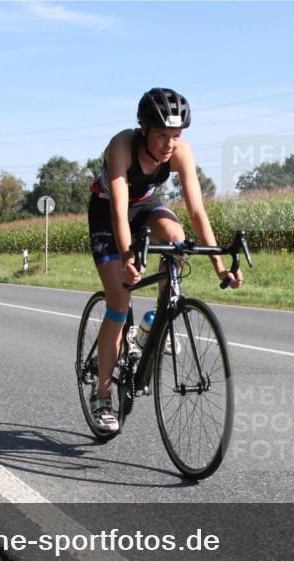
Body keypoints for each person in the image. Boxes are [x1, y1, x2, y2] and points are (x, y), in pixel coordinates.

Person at [87, 88, 242, 433]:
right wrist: (128, 256)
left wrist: (219, 265)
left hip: (144, 206)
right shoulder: (121, 146)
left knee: (176, 238)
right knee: (119, 300)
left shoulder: (180, 152)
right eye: (161, 136)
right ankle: (101, 396)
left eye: (176, 135)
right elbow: (117, 209)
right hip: (107, 211)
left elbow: (197, 209)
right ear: (143, 129)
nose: (169, 144)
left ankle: (157, 320)